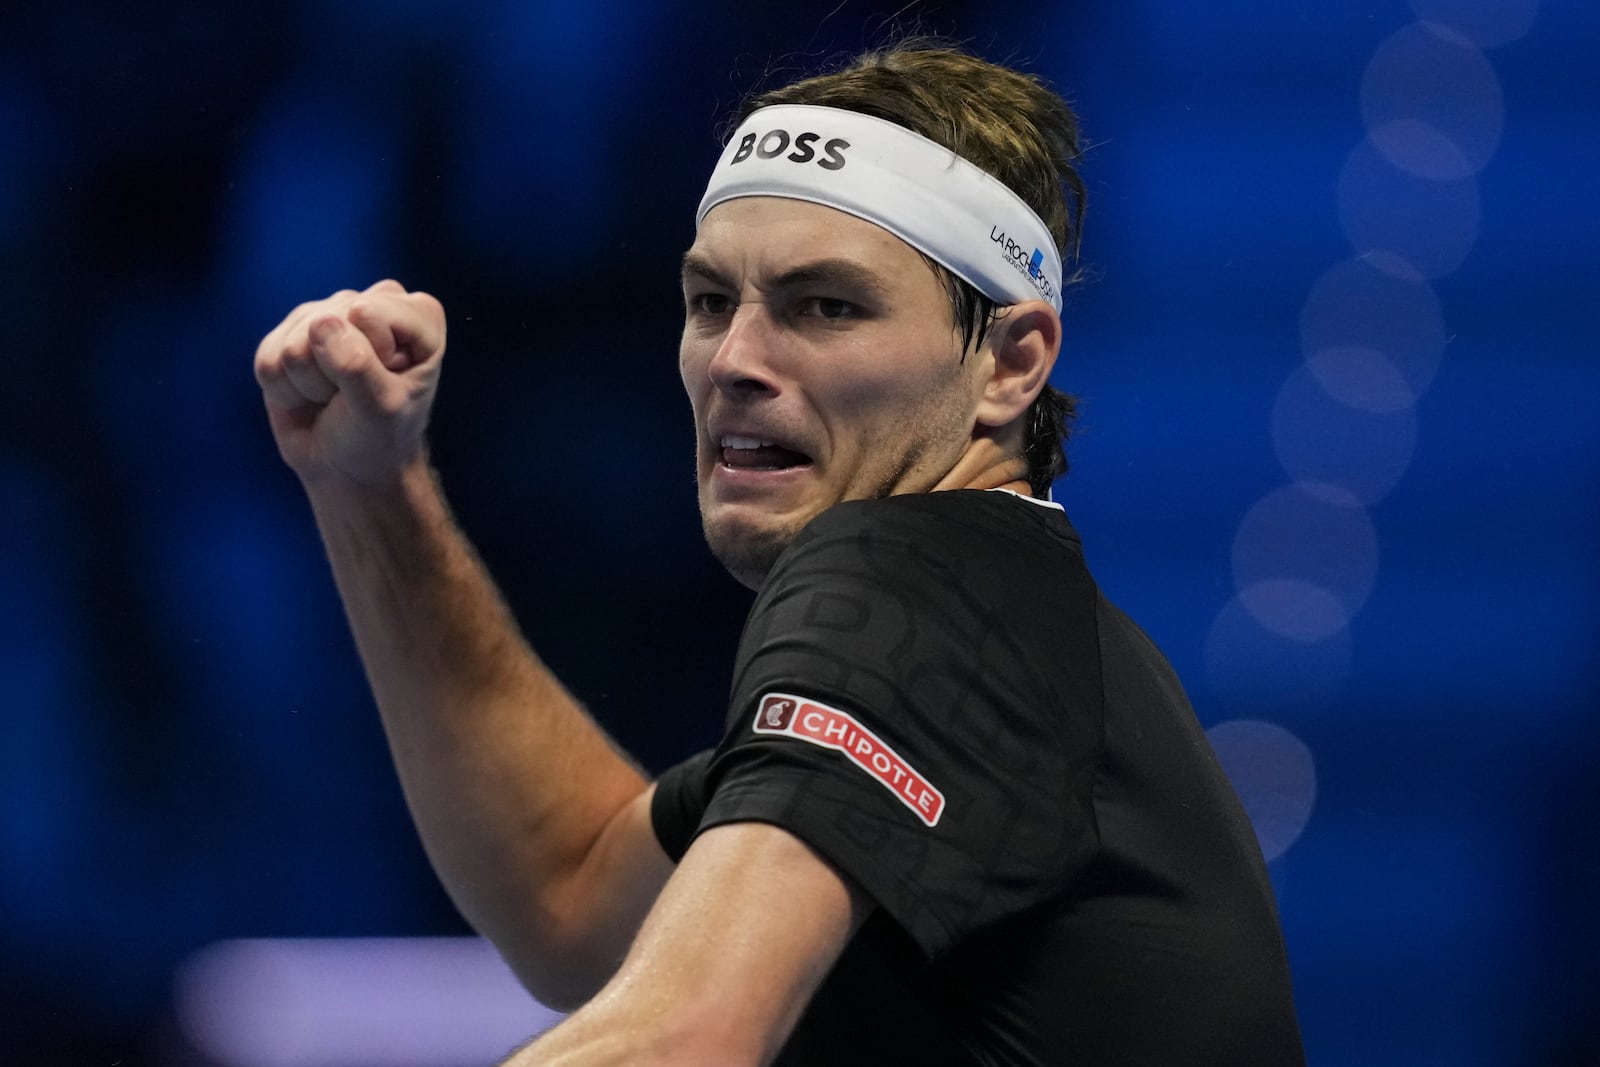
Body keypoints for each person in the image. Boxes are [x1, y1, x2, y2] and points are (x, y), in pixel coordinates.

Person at [254, 42, 1303, 1067]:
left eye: (826, 306)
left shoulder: (914, 579)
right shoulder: (1003, 633)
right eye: (711, 301)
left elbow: (683, 1038)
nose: (735, 361)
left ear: (1008, 363)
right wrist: (371, 488)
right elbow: (572, 895)